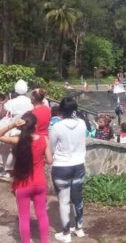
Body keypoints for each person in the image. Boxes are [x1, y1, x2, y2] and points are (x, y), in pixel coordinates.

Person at [0, 112, 52, 243]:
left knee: (24, 217)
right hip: (39, 183)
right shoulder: (44, 139)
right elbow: (49, 160)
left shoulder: (17, 140)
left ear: (22, 126)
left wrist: (12, 125)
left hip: (22, 184)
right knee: (42, 215)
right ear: (35, 126)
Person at [49, 97, 88, 242]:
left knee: (64, 201)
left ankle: (66, 234)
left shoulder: (57, 127)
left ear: (61, 110)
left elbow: (52, 148)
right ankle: (79, 228)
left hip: (61, 167)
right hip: (79, 165)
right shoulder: (82, 123)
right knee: (77, 199)